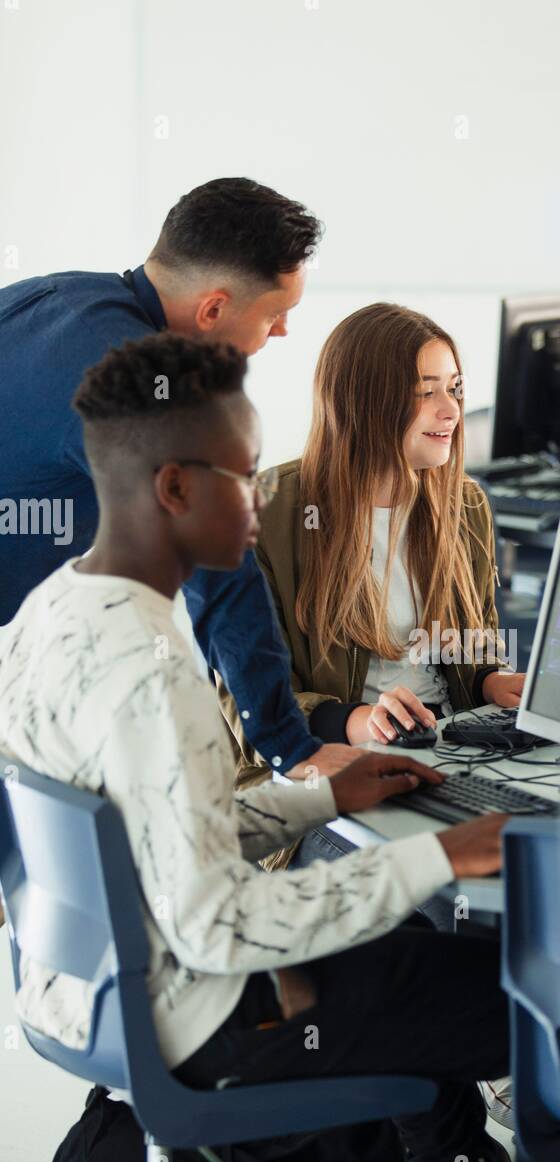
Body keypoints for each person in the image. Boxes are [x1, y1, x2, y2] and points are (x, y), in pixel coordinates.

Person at [0, 332, 516, 1162]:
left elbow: (148, 840)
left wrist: (317, 796)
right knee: (530, 991)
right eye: (243, 478)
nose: (264, 501)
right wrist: (441, 857)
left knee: (425, 980)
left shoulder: (52, 614)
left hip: (88, 993)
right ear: (175, 491)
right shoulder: (157, 677)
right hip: (198, 1014)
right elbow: (220, 923)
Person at [0, 176, 336, 782]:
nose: (282, 332)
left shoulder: (51, 298)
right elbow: (222, 567)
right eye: (275, 315)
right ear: (213, 309)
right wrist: (291, 746)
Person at [217, 302, 524, 883]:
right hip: (317, 784)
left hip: (445, 756)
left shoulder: (466, 507)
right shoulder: (266, 514)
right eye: (424, 391)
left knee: (532, 861)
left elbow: (474, 645)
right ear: (363, 401)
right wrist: (359, 721)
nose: (450, 410)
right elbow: (245, 707)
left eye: (455, 388)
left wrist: (491, 680)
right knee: (436, 885)